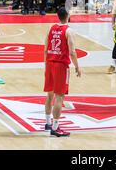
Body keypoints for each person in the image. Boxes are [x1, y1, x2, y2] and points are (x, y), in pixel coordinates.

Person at [44, 8, 81, 137]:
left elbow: (45, 48)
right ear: (68, 16)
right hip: (61, 65)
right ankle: (55, 127)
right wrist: (77, 66)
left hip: (49, 63)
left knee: (49, 95)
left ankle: (47, 123)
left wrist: (45, 65)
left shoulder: (51, 28)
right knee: (59, 97)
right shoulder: (69, 31)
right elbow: (72, 52)